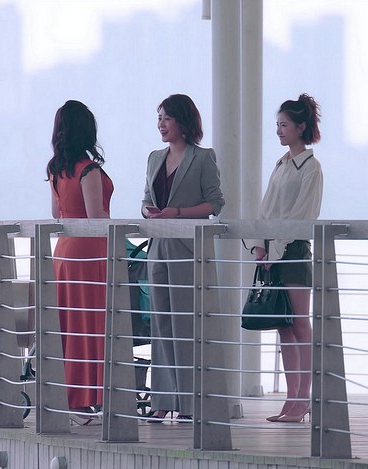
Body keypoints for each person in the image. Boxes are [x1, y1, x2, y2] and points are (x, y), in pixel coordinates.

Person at [141, 94, 225, 422]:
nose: (161, 124)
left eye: (167, 118)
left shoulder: (203, 158)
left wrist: (175, 213)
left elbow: (214, 204)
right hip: (158, 248)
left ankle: (191, 403)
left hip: (188, 250)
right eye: (159, 118)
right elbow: (146, 199)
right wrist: (149, 211)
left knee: (187, 325)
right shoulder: (154, 158)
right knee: (161, 324)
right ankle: (162, 400)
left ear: (183, 122)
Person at [245, 93, 323, 423]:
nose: (278, 130)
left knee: (299, 324)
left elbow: (301, 216)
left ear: (300, 127)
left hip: (293, 252)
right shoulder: (281, 164)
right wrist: (258, 247)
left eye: (284, 125)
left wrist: (273, 252)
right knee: (284, 328)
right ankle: (292, 401)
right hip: (273, 254)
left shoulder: (311, 167)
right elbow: (266, 210)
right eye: (277, 125)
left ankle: (303, 399)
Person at [46, 100, 113, 426]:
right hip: (90, 253)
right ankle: (86, 399)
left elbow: (56, 214)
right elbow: (97, 218)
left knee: (69, 324)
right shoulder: (88, 170)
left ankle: (70, 398)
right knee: (90, 325)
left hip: (64, 252)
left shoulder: (56, 169)